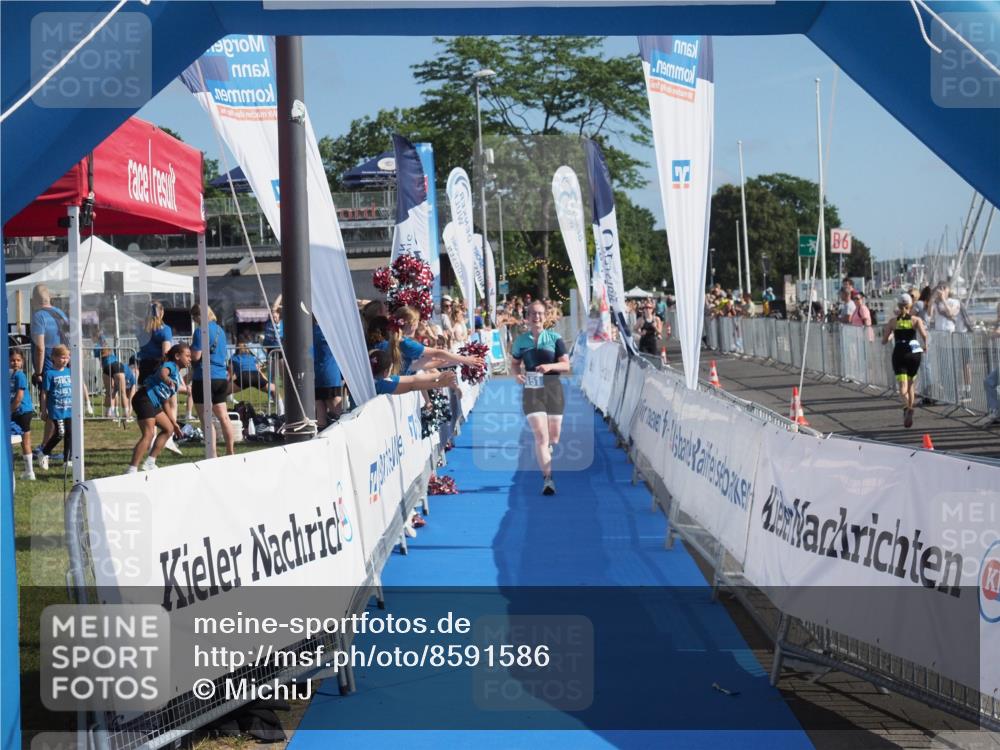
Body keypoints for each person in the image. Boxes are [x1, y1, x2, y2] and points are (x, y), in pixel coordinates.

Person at [511, 300, 571, 496]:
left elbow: (566, 366)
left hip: (553, 388)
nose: (536, 317)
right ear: (527, 318)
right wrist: (517, 375)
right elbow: (514, 364)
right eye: (533, 314)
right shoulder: (520, 341)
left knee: (554, 436)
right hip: (532, 389)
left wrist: (549, 367)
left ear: (545, 317)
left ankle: (549, 449)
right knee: (541, 438)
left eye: (540, 314)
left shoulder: (555, 338)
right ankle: (548, 479)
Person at [127, 344, 191, 473]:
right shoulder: (171, 366)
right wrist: (167, 380)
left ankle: (150, 463)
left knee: (169, 429)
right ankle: (131, 469)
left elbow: (165, 401)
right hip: (144, 398)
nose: (190, 359)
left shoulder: (177, 377)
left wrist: (174, 423)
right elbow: (163, 372)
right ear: (177, 356)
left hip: (154, 402)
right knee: (149, 434)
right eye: (187, 356)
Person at [190, 304, 235, 455]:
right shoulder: (220, 330)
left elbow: (196, 356)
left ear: (198, 316)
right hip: (220, 377)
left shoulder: (200, 331)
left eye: (194, 317)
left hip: (204, 376)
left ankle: (213, 453)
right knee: (224, 417)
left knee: (206, 419)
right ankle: (230, 451)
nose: (194, 320)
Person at [883, 293, 929, 429]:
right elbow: (924, 335)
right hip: (913, 353)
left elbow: (884, 340)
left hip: (900, 352)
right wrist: (925, 346)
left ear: (898, 306)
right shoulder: (916, 320)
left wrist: (891, 335)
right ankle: (910, 407)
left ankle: (906, 407)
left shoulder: (893, 321)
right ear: (910, 306)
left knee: (902, 386)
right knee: (911, 385)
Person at [38, 344, 73, 471]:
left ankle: (67, 459)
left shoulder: (70, 371)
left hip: (69, 408)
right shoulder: (49, 373)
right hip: (57, 409)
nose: (65, 360)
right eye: (62, 357)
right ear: (54, 357)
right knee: (60, 433)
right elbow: (44, 393)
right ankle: (44, 452)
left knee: (70, 433)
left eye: (67, 357)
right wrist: (43, 410)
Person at [369, 349, 458, 396]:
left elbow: (413, 379)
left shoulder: (363, 370)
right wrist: (440, 384)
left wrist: (439, 375)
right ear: (385, 373)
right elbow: (412, 386)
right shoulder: (382, 385)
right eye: (390, 369)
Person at [10, 349, 35, 480]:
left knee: (25, 441)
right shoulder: (11, 375)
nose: (15, 362)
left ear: (22, 362)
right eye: (13, 360)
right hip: (15, 411)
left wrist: (10, 410)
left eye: (18, 360)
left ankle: (30, 471)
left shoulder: (20, 376)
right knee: (15, 440)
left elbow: (19, 396)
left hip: (23, 411)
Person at [313, 319, 344, 429]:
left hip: (317, 375)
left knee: (320, 410)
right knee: (338, 416)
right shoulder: (329, 331)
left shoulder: (311, 330)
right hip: (330, 375)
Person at [93, 330, 131, 419]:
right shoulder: (108, 347)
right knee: (122, 393)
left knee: (110, 392)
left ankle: (109, 413)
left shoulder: (97, 347)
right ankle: (126, 414)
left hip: (107, 367)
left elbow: (96, 354)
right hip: (116, 366)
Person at [136, 301, 174, 382]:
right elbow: (166, 353)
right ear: (161, 312)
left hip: (142, 364)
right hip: (157, 366)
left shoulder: (140, 328)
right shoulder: (165, 330)